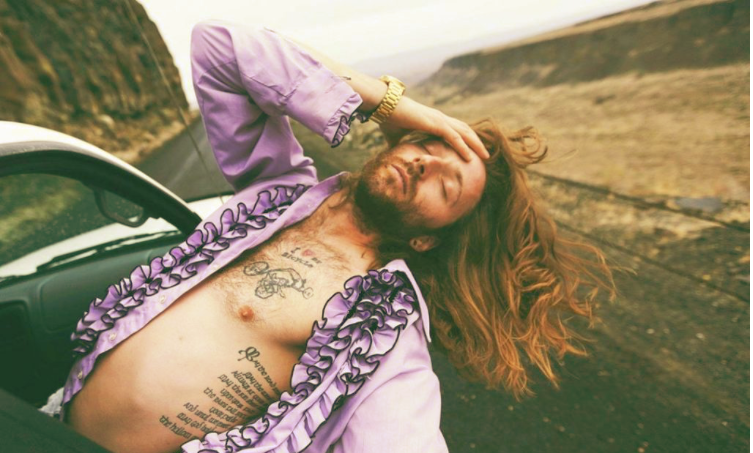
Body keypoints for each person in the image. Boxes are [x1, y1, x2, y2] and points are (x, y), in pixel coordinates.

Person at [42, 19, 618, 453]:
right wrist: (392, 103)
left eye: (446, 187)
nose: (425, 164)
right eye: (428, 145)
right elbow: (219, 46)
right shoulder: (272, 192)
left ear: (428, 241)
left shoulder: (378, 333)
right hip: (46, 421)